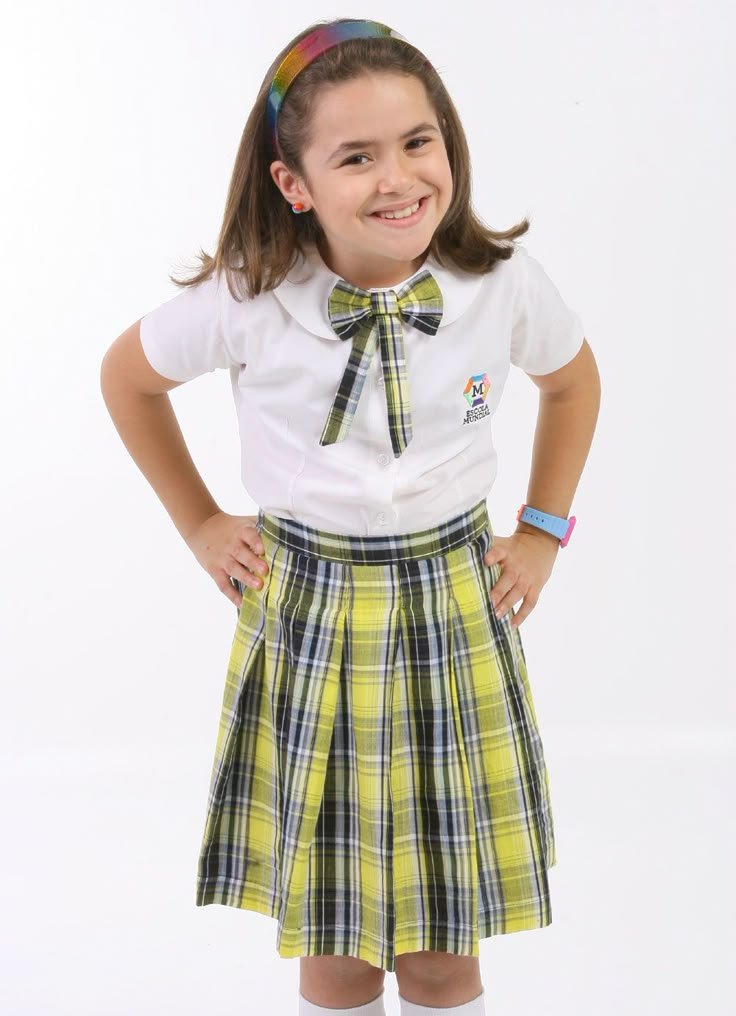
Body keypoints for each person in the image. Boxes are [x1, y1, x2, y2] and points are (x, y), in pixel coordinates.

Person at [99, 17, 601, 1016]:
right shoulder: (249, 295)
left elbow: (574, 384)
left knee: (440, 948)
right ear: (297, 184)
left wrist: (541, 531)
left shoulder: (496, 284)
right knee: (334, 952)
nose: (397, 177)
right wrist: (199, 521)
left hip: (451, 606)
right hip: (307, 613)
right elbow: (127, 379)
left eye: (418, 142)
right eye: (356, 155)